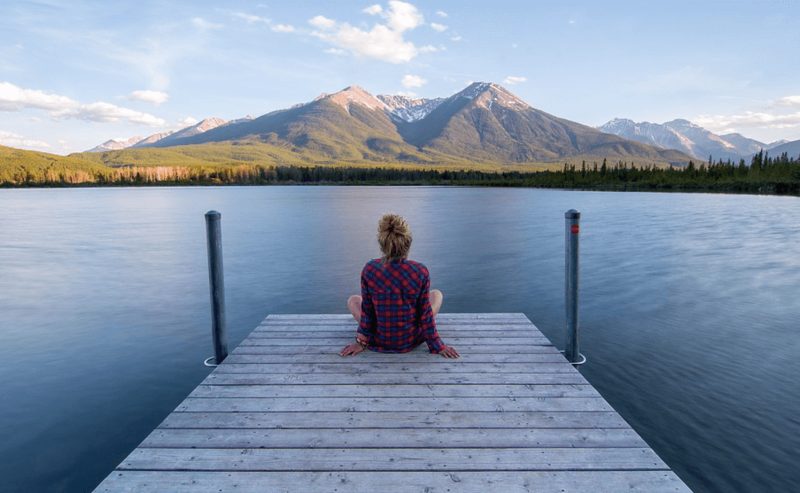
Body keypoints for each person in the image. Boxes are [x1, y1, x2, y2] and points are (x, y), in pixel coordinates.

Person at [339, 213, 459, 358]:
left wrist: (361, 342)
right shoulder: (420, 271)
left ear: (382, 244)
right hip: (410, 339)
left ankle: (371, 335)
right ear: (408, 243)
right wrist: (437, 346)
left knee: (353, 300)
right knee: (436, 295)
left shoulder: (369, 269)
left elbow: (367, 311)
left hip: (379, 339)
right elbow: (425, 314)